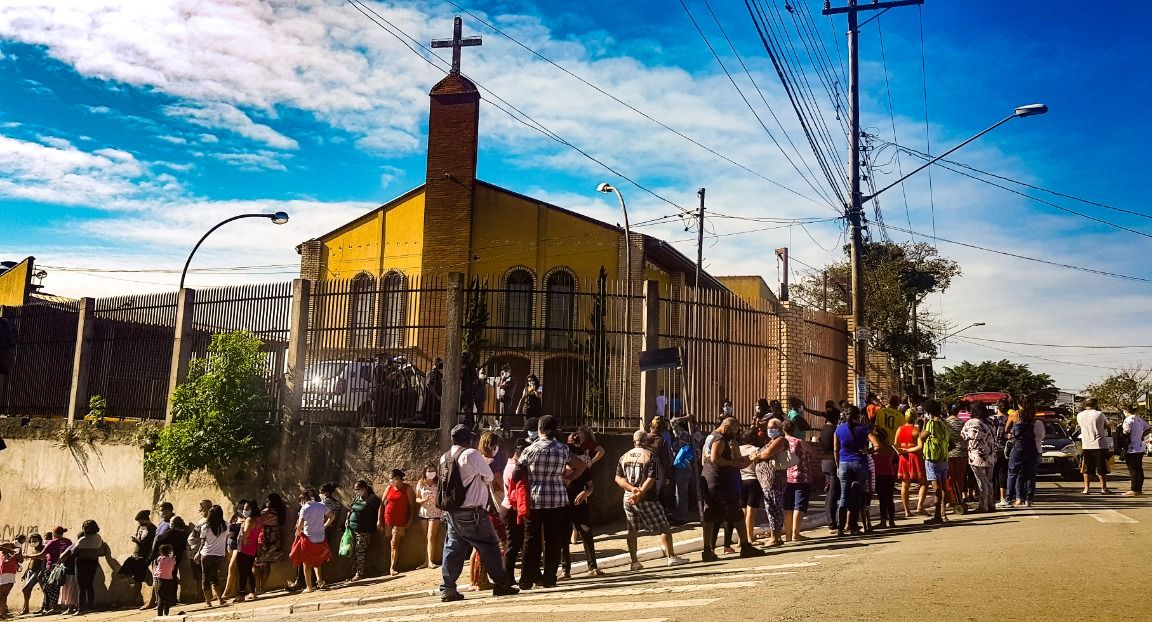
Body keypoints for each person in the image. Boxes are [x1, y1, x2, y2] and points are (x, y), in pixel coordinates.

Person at [437, 424, 519, 602]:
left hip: (452, 512)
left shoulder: (445, 457)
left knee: (453, 549)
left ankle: (448, 589)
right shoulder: (471, 454)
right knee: (490, 546)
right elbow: (489, 476)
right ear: (467, 440)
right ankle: (501, 584)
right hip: (473, 512)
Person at [616, 431, 691, 570]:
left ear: (634, 441)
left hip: (628, 497)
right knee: (663, 527)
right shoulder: (651, 456)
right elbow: (651, 478)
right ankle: (671, 557)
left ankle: (634, 562)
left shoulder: (623, 457)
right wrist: (640, 492)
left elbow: (618, 478)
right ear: (646, 441)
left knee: (632, 530)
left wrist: (631, 489)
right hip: (647, 498)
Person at [517, 415, 571, 590]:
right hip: (557, 497)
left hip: (535, 498)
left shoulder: (530, 450)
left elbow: (517, 472)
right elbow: (578, 465)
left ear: (540, 429)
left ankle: (526, 579)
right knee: (552, 539)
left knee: (530, 539)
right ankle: (550, 578)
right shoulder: (563, 449)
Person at [701, 417, 763, 560]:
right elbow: (715, 459)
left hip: (709, 479)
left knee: (710, 515)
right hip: (719, 482)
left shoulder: (710, 437)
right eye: (734, 430)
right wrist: (733, 463)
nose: (735, 434)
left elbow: (705, 459)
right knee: (736, 513)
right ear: (727, 427)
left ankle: (707, 550)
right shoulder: (719, 439)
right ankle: (746, 547)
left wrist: (746, 459)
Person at [834, 405, 879, 534]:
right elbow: (877, 445)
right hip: (860, 464)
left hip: (844, 464)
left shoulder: (838, 430)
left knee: (843, 496)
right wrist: (867, 451)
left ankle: (840, 528)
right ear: (858, 416)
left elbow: (836, 450)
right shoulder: (863, 429)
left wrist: (838, 466)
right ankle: (853, 527)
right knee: (856, 496)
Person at [561, 434, 600, 579]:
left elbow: (590, 487)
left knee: (586, 533)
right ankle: (565, 570)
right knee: (563, 537)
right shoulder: (559, 470)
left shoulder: (583, 469)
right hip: (563, 505)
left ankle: (592, 566)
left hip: (579, 504)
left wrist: (585, 493)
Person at [909, 399, 951, 525]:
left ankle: (937, 514)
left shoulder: (931, 423)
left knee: (936, 487)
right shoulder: (944, 423)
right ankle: (943, 513)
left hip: (932, 457)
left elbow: (921, 437)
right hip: (943, 457)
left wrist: (924, 425)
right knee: (943, 486)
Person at [290, 490, 333, 592]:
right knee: (317, 560)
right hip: (321, 537)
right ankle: (319, 581)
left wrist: (297, 533)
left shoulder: (305, 508)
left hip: (309, 537)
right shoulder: (321, 505)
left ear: (304, 499)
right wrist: (325, 526)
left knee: (306, 562)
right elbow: (332, 516)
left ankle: (309, 587)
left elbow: (300, 525)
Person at [501, 439, 530, 586]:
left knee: (515, 544)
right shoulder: (515, 468)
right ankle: (508, 577)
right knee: (513, 544)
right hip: (512, 508)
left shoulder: (510, 465)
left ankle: (509, 576)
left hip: (509, 507)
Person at [755, 419, 789, 546]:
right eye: (769, 427)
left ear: (780, 429)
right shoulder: (770, 441)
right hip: (767, 481)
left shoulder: (780, 440)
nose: (770, 430)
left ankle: (775, 536)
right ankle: (776, 536)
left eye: (773, 427)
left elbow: (767, 454)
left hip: (774, 480)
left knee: (774, 507)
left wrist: (757, 456)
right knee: (772, 507)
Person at [381, 469, 419, 576]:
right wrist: (379, 520)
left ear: (397, 479)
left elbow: (412, 506)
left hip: (400, 520)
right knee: (387, 543)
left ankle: (393, 567)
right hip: (388, 519)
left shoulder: (407, 489)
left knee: (395, 543)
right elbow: (382, 504)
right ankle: (387, 566)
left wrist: (411, 519)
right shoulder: (389, 488)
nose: (390, 481)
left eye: (391, 478)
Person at [962, 406, 998, 513]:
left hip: (977, 456)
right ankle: (991, 504)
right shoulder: (990, 422)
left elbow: (965, 435)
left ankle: (983, 505)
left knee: (982, 482)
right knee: (989, 481)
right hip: (991, 455)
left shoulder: (972, 422)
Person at [782, 419, 813, 541]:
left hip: (786, 477)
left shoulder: (780, 443)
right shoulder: (800, 442)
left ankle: (788, 534)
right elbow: (813, 453)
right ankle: (796, 533)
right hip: (802, 476)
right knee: (799, 505)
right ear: (794, 429)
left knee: (787, 506)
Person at [1006, 403, 1041, 508]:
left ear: (1019, 403)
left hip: (1018, 446)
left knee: (1013, 473)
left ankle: (1009, 499)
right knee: (1030, 474)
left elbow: (1006, 428)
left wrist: (1011, 432)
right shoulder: (1032, 415)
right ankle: (1029, 499)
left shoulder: (1015, 414)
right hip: (1031, 446)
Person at [895, 410, 928, 518]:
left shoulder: (900, 429)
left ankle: (906, 510)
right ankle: (920, 506)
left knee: (905, 484)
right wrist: (909, 450)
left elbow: (895, 444)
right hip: (914, 457)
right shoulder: (915, 430)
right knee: (923, 482)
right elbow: (920, 446)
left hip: (903, 457)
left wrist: (902, 450)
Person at [1077, 398, 1113, 495]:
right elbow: (1108, 425)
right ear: (1096, 404)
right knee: (1101, 468)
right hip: (1099, 444)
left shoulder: (1079, 415)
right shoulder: (1099, 414)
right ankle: (1103, 488)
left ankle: (1086, 488)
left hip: (1086, 444)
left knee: (1086, 468)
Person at [347, 480, 381, 581]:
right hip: (353, 529)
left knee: (359, 550)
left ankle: (359, 573)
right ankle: (354, 572)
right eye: (355, 490)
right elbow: (351, 510)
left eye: (358, 489)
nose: (357, 492)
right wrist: (347, 520)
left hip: (365, 530)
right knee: (352, 551)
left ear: (365, 488)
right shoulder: (357, 498)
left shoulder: (372, 499)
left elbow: (379, 512)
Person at [196, 505, 229, 607]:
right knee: (215, 578)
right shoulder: (226, 526)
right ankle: (220, 599)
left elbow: (203, 541)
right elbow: (227, 538)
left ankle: (208, 602)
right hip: (219, 555)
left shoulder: (205, 527)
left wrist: (198, 552)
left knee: (205, 578)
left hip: (206, 555)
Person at [254, 494, 286, 593]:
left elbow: (256, 521)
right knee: (267, 563)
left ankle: (257, 587)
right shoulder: (279, 512)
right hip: (274, 537)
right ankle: (261, 587)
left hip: (264, 537)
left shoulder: (266, 511)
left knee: (256, 563)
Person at [738, 430, 765, 542]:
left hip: (740, 480)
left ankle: (741, 538)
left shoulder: (738, 449)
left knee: (743, 510)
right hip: (753, 481)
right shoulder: (756, 450)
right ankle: (749, 537)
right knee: (751, 512)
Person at [234, 500, 262, 602]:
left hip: (244, 548)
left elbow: (246, 532)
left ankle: (241, 593)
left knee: (242, 571)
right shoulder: (258, 519)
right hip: (252, 547)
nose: (244, 511)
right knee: (249, 570)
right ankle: (252, 592)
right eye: (244, 509)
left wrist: (244, 540)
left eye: (247, 509)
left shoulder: (249, 520)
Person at [415, 466, 443, 569]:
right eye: (429, 471)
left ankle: (431, 561)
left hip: (435, 512)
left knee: (431, 536)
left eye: (433, 470)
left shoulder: (438, 483)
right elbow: (417, 498)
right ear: (425, 472)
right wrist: (422, 501)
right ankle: (426, 561)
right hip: (424, 512)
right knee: (426, 537)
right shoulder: (420, 483)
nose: (431, 472)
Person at [819, 407, 840, 534]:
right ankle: (832, 523)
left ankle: (832, 521)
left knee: (830, 492)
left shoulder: (823, 430)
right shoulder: (835, 430)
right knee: (833, 493)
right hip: (833, 462)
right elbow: (837, 448)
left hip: (825, 461)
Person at [871, 427, 898, 529]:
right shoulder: (891, 448)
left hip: (879, 475)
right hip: (889, 475)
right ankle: (891, 521)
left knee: (882, 499)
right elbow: (895, 460)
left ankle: (883, 521)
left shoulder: (874, 449)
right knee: (889, 498)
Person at [1121, 405, 1149, 496]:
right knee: (1139, 469)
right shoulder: (1139, 419)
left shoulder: (1128, 420)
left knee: (1132, 469)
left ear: (1126, 411)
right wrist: (1141, 435)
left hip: (1131, 447)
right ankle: (1139, 489)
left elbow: (1126, 431)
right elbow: (1149, 428)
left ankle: (1134, 489)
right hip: (1140, 447)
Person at [945, 404, 969, 509]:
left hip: (949, 453)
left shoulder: (945, 423)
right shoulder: (962, 423)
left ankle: (951, 500)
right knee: (960, 478)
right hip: (962, 453)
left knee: (949, 478)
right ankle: (959, 498)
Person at [989, 400, 1012, 509]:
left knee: (992, 474)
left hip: (991, 449)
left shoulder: (991, 419)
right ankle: (1003, 497)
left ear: (997, 408)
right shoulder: (1010, 419)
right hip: (1005, 450)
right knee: (1003, 473)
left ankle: (993, 497)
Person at [18, 533, 43, 616]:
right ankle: (25, 607)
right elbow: (31, 562)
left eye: (36, 541)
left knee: (25, 589)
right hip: (30, 571)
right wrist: (26, 572)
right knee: (27, 591)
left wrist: (40, 572)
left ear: (40, 540)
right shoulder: (33, 549)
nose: (34, 542)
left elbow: (42, 560)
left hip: (37, 572)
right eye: (32, 541)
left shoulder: (42, 548)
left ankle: (26, 608)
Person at [0, 542, 22, 619]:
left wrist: (18, 551)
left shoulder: (18, 549)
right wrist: (10, 550)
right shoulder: (8, 545)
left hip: (11, 573)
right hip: (4, 573)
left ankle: (2, 613)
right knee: (2, 594)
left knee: (4, 595)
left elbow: (21, 560)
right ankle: (2, 613)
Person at [153, 544, 176, 617]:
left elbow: (157, 563)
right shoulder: (173, 560)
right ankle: (166, 612)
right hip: (169, 579)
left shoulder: (160, 559)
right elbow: (172, 568)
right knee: (168, 597)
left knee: (160, 598)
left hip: (160, 580)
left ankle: (159, 615)